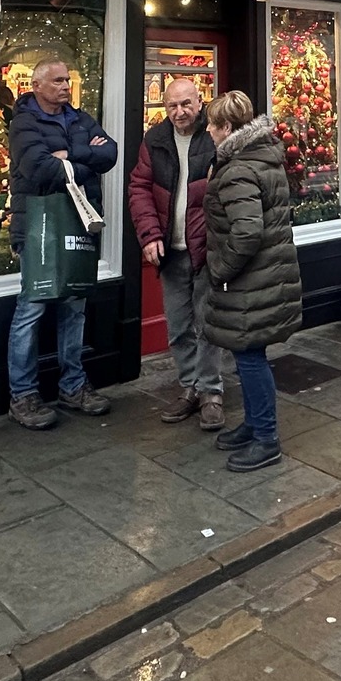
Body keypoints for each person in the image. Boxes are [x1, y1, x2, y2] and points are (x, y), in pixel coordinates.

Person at [5, 59, 118, 430]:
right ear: (36, 85)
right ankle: (23, 395)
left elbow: (111, 154)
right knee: (32, 309)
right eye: (57, 80)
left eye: (67, 79)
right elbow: (37, 169)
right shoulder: (24, 122)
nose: (65, 86)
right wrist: (87, 159)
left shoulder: (80, 118)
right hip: (37, 227)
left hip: (79, 224)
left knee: (74, 308)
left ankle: (73, 386)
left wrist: (69, 157)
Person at [201, 90, 302, 470]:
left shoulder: (238, 169)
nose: (208, 130)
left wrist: (220, 269)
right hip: (265, 276)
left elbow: (246, 231)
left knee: (250, 356)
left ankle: (266, 438)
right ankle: (255, 424)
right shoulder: (262, 157)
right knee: (248, 355)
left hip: (250, 281)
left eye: (213, 124)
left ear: (227, 128)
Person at [127, 77, 223, 431]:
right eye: (172, 106)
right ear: (164, 108)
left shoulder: (214, 136)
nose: (180, 112)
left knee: (207, 324)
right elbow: (139, 188)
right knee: (179, 325)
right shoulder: (155, 140)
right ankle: (190, 387)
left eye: (186, 104)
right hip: (171, 251)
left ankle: (211, 392)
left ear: (200, 102)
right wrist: (150, 235)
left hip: (207, 250)